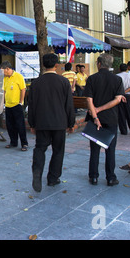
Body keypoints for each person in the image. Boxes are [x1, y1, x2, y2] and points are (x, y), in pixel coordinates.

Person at [28, 53, 75, 192]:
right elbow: (69, 105)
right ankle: (53, 178)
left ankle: (37, 172)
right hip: (60, 122)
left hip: (42, 122)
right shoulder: (64, 82)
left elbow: (31, 105)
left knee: (40, 148)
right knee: (58, 151)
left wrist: (32, 123)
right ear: (56, 65)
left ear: (43, 65)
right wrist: (71, 123)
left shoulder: (35, 83)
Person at [83, 53, 124, 186]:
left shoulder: (92, 78)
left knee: (94, 149)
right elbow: (118, 99)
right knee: (110, 149)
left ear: (99, 64)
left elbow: (89, 99)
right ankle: (110, 177)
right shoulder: (117, 80)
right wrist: (100, 109)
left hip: (95, 118)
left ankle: (93, 176)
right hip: (111, 118)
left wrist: (95, 115)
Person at [0, 61, 28, 151]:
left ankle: (24, 143)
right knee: (10, 125)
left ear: (8, 69)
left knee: (20, 125)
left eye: (3, 70)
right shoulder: (5, 78)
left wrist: (20, 102)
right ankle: (13, 142)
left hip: (17, 105)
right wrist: (3, 103)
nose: (2, 73)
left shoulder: (18, 76)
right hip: (8, 105)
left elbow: (23, 90)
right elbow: (4, 91)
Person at [116, 63, 130, 135]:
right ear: (127, 69)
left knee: (121, 114)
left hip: (119, 96)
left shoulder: (117, 76)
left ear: (119, 69)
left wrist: (121, 93)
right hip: (128, 96)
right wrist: (125, 92)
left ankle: (123, 131)